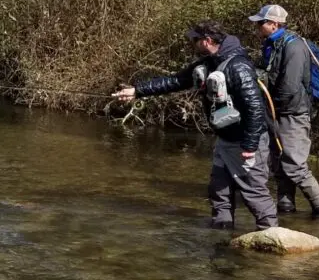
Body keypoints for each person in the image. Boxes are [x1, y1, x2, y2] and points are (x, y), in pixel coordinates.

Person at [112, 21, 278, 231]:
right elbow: (175, 81)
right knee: (218, 189)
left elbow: (255, 108)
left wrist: (250, 146)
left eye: (194, 40)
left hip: (246, 142)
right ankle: (221, 234)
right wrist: (136, 91)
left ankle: (271, 235)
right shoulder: (209, 62)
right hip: (226, 139)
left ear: (206, 41)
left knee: (254, 191)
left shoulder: (238, 67)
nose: (192, 44)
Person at [249, 4, 319, 219]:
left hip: (292, 113)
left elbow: (291, 85)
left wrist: (274, 106)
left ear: (274, 24)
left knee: (295, 164)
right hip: (277, 112)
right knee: (278, 161)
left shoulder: (294, 47)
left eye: (260, 23)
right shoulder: (271, 45)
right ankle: (285, 207)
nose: (257, 27)